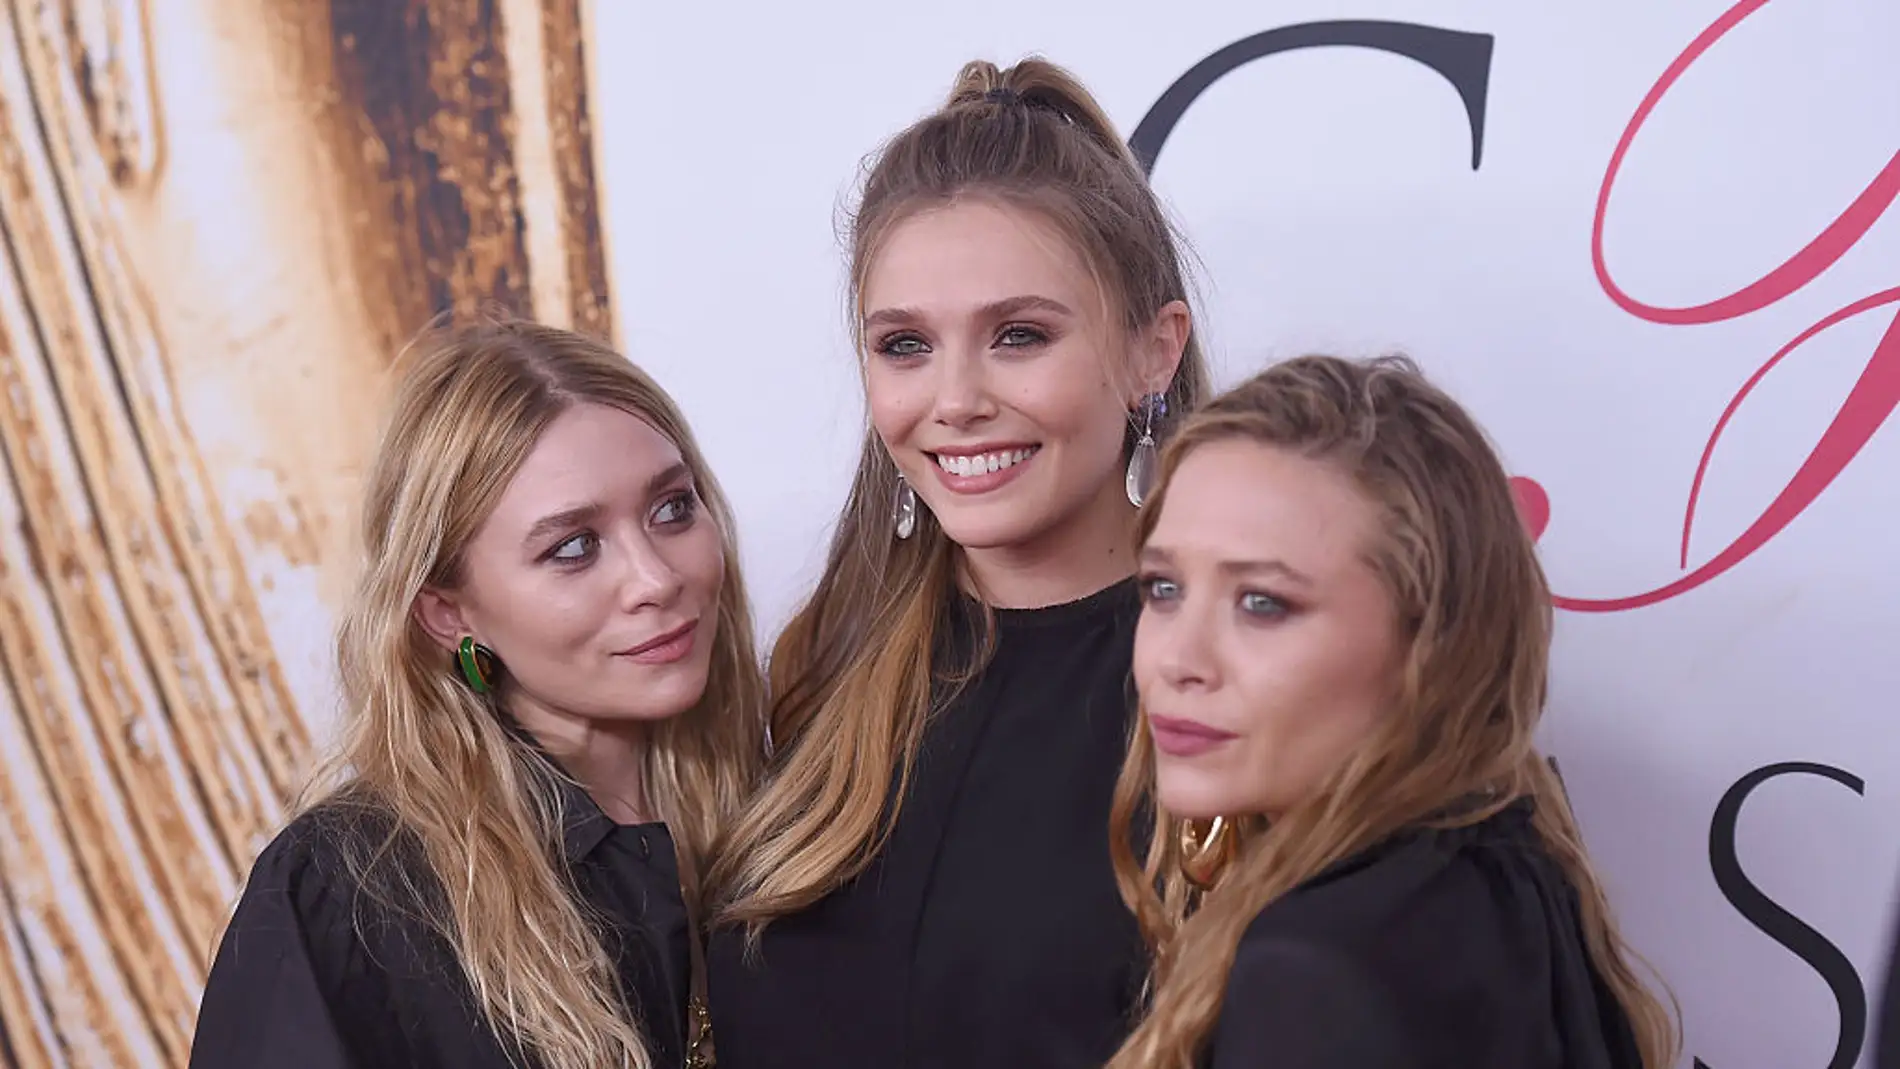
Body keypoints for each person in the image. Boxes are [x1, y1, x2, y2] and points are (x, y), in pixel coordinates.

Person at [701, 56, 1210, 1068]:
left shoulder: (1231, 687)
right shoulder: (819, 670)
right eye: (904, 345)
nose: (956, 399)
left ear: (1153, 351)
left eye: (1018, 335)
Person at [188, 316, 765, 1069]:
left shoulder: (780, 811)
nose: (657, 577)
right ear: (449, 613)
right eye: (573, 547)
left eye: (672, 508)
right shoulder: (353, 896)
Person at [1105, 354, 1680, 1069]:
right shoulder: (1508, 875)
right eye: (1163, 589)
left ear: (1431, 643)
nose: (1177, 658)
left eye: (1262, 602)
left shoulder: (1319, 969)